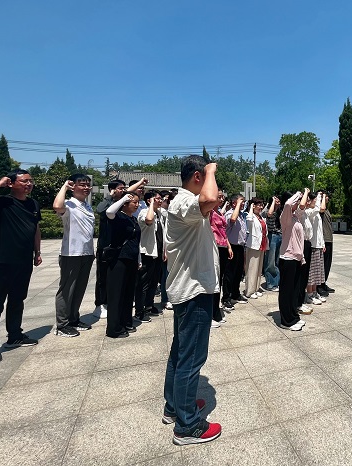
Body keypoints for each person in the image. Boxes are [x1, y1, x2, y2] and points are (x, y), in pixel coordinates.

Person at [163, 155, 222, 445]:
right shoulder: (184, 201)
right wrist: (211, 170)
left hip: (189, 288)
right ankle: (187, 425)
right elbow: (210, 199)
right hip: (193, 290)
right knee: (191, 357)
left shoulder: (184, 203)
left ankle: (174, 406)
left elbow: (211, 202)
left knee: (180, 352)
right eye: (208, 175)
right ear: (198, 176)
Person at [0, 170, 42, 363]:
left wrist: (37, 252)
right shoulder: (3, 202)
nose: (29, 184)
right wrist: (0, 182)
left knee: (17, 299)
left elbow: (36, 229)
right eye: (24, 181)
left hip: (24, 260)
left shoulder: (33, 204)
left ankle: (15, 335)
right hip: (2, 260)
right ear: (11, 183)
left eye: (30, 181)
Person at [53, 174, 95, 337]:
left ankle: (73, 318)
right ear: (73, 186)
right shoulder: (69, 204)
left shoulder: (87, 206)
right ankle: (62, 325)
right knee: (67, 290)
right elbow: (57, 206)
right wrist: (64, 186)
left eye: (88, 185)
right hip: (71, 253)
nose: (86, 188)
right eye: (82, 184)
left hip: (87, 252)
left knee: (79, 289)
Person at [94, 179, 136, 318]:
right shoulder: (109, 203)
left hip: (119, 247)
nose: (123, 190)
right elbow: (100, 210)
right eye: (120, 188)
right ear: (112, 190)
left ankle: (114, 302)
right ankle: (100, 303)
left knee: (116, 278)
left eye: (124, 188)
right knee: (102, 277)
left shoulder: (123, 204)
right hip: (105, 246)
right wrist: (109, 197)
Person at [104, 193, 142, 338]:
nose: (137, 205)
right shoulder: (118, 216)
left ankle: (126, 321)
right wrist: (124, 198)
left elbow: (136, 241)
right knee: (117, 294)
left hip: (132, 259)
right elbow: (109, 211)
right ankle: (114, 328)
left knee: (128, 293)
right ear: (125, 204)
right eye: (134, 202)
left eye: (138, 202)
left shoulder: (134, 219)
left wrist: (138, 259)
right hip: (119, 259)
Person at [277, 189, 309, 331]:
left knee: (294, 291)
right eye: (296, 201)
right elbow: (288, 204)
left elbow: (302, 207)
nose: (297, 204)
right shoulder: (285, 216)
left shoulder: (296, 217)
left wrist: (305, 194)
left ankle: (293, 316)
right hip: (287, 258)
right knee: (287, 291)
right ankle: (286, 321)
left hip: (296, 258)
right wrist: (299, 193)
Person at [134, 191, 164, 322]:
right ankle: (139, 310)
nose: (160, 201)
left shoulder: (159, 214)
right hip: (147, 252)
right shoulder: (144, 212)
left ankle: (149, 305)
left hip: (157, 253)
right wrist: (151, 204)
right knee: (143, 283)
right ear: (149, 201)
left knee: (154, 281)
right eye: (157, 199)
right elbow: (149, 220)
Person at [210, 189, 233, 328]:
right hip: (214, 247)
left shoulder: (219, 212)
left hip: (223, 246)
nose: (222, 199)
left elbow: (224, 232)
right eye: (219, 197)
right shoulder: (209, 213)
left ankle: (216, 311)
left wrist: (229, 246)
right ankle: (212, 313)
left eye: (222, 197)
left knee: (220, 279)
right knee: (215, 280)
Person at [223, 194, 247, 305]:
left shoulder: (241, 215)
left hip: (240, 246)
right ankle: (226, 297)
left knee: (238, 272)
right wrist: (237, 204)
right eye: (241, 201)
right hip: (231, 247)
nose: (243, 203)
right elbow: (232, 219)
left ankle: (235, 294)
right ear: (234, 203)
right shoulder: (230, 213)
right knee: (229, 273)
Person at [244, 197, 268, 299]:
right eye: (258, 205)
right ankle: (249, 291)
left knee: (258, 270)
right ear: (253, 206)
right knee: (252, 269)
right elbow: (249, 220)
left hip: (261, 245)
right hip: (253, 246)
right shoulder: (251, 216)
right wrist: (251, 208)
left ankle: (256, 288)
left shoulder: (260, 217)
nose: (261, 207)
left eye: (262, 205)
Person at [305, 192, 326, 305]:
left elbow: (319, 230)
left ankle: (314, 292)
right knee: (311, 273)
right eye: (314, 200)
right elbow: (318, 209)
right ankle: (309, 294)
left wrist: (322, 244)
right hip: (312, 246)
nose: (315, 202)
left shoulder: (316, 213)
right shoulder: (308, 212)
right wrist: (319, 197)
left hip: (318, 245)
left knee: (317, 273)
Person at [261, 195, 281, 292]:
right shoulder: (268, 209)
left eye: (278, 200)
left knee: (277, 261)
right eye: (275, 200)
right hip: (272, 235)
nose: (277, 202)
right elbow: (269, 214)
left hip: (280, 235)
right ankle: (271, 284)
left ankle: (276, 282)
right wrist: (272, 202)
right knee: (270, 261)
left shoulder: (281, 210)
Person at [318, 191, 335, 296]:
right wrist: (322, 196)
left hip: (329, 239)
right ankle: (319, 285)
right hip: (324, 240)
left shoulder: (327, 210)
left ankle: (324, 283)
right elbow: (322, 209)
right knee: (322, 264)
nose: (327, 198)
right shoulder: (319, 208)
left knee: (327, 263)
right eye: (326, 196)